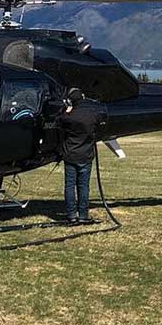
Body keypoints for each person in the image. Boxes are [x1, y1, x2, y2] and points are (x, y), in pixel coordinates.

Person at [59, 88, 100, 224]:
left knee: (70, 186)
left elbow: (60, 120)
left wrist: (68, 109)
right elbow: (99, 122)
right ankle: (83, 215)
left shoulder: (69, 116)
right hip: (86, 155)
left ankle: (71, 215)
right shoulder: (92, 114)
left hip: (71, 155)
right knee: (84, 186)